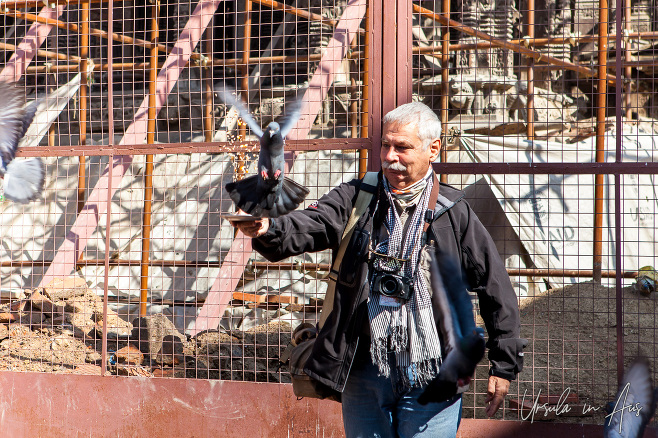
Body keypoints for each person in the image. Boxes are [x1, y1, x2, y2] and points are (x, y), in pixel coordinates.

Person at [230, 102, 526, 437]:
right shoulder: (358, 197)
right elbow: (310, 224)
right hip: (363, 370)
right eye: (385, 145)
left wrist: (504, 364)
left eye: (402, 147)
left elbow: (495, 287)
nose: (389, 156)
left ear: (433, 149)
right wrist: (268, 228)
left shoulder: (453, 212)